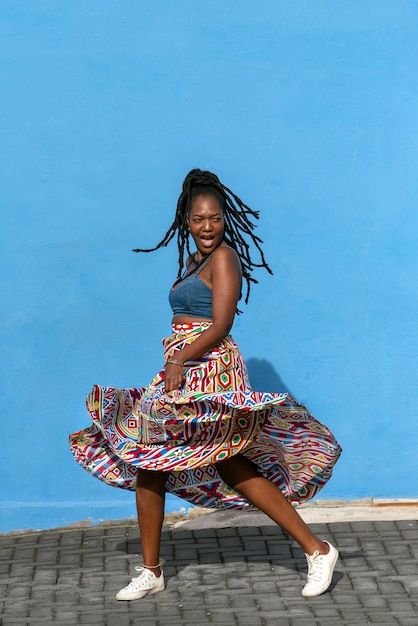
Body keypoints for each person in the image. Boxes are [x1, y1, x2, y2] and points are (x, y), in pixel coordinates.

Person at [69, 168, 342, 601]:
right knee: (152, 460)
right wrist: (176, 360)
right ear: (186, 222)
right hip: (183, 368)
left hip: (209, 367)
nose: (207, 227)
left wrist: (180, 356)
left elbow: (222, 322)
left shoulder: (224, 258)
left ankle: (318, 550)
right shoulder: (193, 261)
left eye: (214, 218)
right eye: (199, 219)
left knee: (222, 461)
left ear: (223, 219)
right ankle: (152, 571)